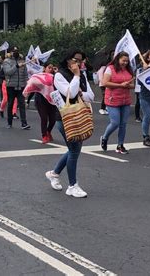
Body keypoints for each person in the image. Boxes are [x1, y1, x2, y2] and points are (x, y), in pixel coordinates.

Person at [45, 50, 95, 198]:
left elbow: (90, 95)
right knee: (74, 150)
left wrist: (80, 89)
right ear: (67, 60)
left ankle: (54, 173)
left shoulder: (83, 75)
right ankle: (72, 185)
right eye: (75, 60)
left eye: (81, 60)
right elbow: (70, 94)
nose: (78, 63)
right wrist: (76, 76)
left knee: (74, 149)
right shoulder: (59, 75)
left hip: (79, 115)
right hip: (64, 118)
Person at [100, 51, 134, 154]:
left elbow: (133, 85)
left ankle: (120, 145)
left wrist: (128, 85)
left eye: (127, 61)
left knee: (123, 124)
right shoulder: (110, 69)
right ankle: (105, 137)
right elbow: (105, 83)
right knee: (115, 122)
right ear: (118, 59)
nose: (125, 63)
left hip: (125, 99)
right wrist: (120, 85)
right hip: (112, 99)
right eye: (123, 60)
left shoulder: (129, 70)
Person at [23, 63, 57, 143]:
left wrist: (56, 73)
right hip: (41, 100)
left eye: (52, 68)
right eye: (49, 67)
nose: (51, 69)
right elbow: (32, 82)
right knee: (44, 118)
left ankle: (48, 131)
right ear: (44, 68)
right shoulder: (38, 76)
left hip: (52, 100)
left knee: (53, 119)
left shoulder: (55, 77)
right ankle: (44, 135)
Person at [2, 46, 30, 130]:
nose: (15, 52)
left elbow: (25, 74)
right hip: (11, 86)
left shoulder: (22, 61)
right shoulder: (7, 61)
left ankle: (24, 123)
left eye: (16, 51)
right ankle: (9, 122)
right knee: (10, 104)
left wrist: (26, 85)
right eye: (13, 51)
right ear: (10, 52)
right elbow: (8, 72)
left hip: (21, 86)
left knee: (21, 104)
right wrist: (16, 66)